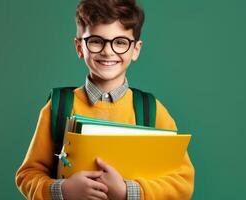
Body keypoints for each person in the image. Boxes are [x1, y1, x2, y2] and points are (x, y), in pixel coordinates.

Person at [15, 0, 194, 199]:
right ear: (79, 47)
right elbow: (27, 175)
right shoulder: (58, 107)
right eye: (96, 41)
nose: (108, 51)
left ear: (135, 49)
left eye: (120, 42)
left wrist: (128, 192)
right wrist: (63, 190)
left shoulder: (152, 111)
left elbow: (183, 182)